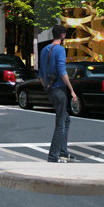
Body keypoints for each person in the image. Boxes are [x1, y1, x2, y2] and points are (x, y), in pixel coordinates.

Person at [39, 25, 78, 163]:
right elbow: (62, 71)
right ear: (62, 35)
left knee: (66, 120)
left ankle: (63, 152)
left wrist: (46, 88)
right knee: (60, 123)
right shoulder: (60, 50)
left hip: (50, 90)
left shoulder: (44, 50)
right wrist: (72, 90)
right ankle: (53, 156)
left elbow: (40, 75)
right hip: (59, 90)